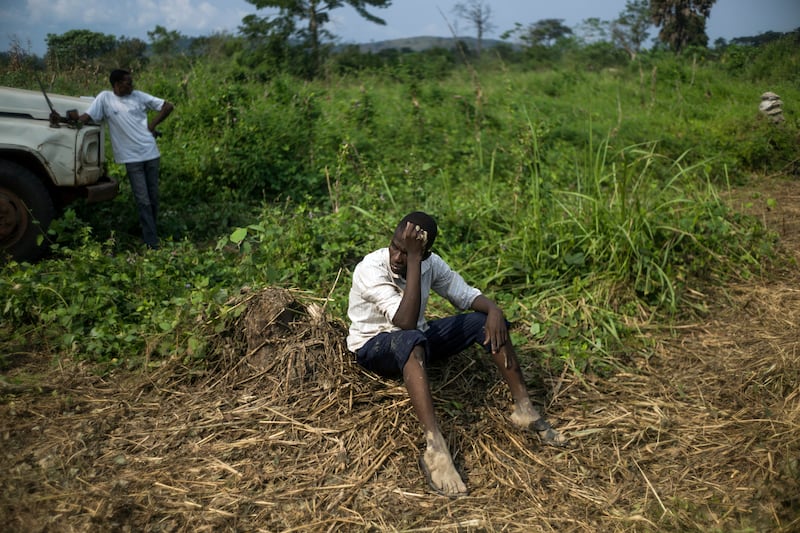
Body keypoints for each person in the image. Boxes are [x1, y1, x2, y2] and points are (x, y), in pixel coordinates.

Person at [347, 211, 568, 497]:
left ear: (426, 254)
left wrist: (494, 310)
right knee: (411, 338)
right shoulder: (370, 268)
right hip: (374, 346)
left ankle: (524, 409)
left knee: (480, 322)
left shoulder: (429, 264)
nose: (398, 257)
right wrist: (413, 259)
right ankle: (435, 448)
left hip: (416, 338)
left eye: (408, 252)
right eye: (396, 247)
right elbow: (404, 322)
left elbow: (462, 293)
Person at [72, 69, 173, 249]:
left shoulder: (139, 97)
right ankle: (152, 242)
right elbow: (85, 118)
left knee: (153, 198)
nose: (132, 86)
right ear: (117, 85)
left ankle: (150, 232)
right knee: (143, 199)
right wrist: (68, 118)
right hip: (131, 158)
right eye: (128, 83)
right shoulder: (105, 99)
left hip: (150, 153)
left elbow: (167, 106)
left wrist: (152, 125)